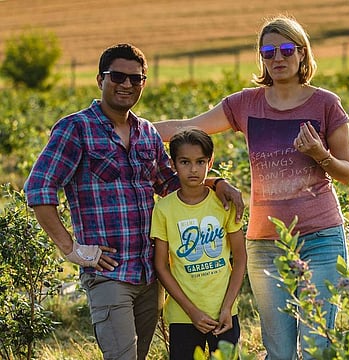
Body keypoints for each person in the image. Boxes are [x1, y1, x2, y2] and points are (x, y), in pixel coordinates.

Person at [23, 43, 243, 360]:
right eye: (118, 76)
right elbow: (39, 188)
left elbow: (171, 184)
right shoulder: (76, 129)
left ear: (143, 83)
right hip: (109, 273)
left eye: (135, 78)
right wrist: (72, 249)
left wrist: (217, 182)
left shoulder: (148, 134)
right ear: (101, 79)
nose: (127, 84)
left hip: (148, 275)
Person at [153, 15, 349, 360]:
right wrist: (126, 130)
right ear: (261, 58)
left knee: (316, 346)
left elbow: (348, 173)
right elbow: (187, 127)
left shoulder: (325, 104)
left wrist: (320, 154)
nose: (278, 58)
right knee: (277, 349)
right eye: (268, 51)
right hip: (265, 244)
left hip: (320, 238)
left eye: (287, 49)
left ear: (303, 54)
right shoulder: (246, 104)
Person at [150, 128, 246, 359]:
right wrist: (191, 312)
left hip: (223, 313)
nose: (193, 169)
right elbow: (161, 266)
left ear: (210, 161)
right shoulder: (163, 209)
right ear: (173, 164)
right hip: (184, 315)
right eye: (185, 162)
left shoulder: (224, 203)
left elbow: (240, 257)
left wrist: (227, 308)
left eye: (200, 161)